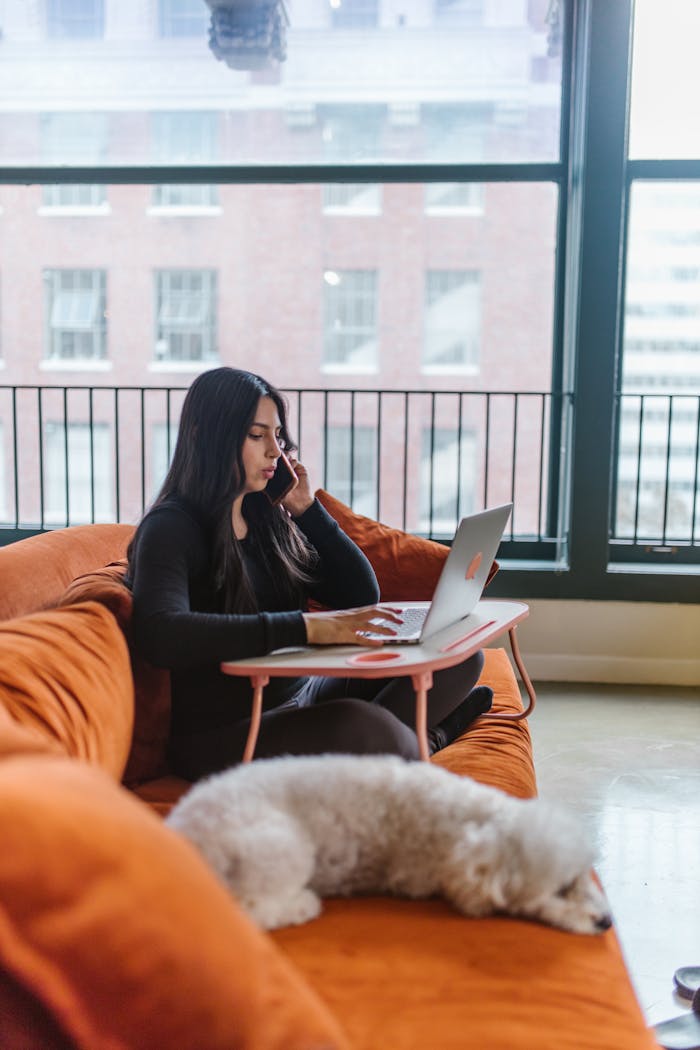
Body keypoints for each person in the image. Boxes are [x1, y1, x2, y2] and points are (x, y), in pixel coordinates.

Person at [126, 367, 492, 782]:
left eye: (277, 437)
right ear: (203, 435)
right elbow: (162, 632)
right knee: (368, 728)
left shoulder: (265, 516)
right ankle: (425, 739)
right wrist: (311, 628)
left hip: (301, 693)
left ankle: (405, 743)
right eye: (256, 435)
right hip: (228, 734)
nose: (274, 453)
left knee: (458, 659)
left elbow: (360, 594)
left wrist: (306, 509)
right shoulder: (172, 527)